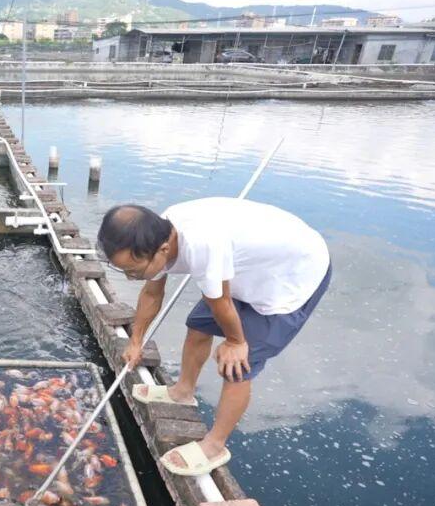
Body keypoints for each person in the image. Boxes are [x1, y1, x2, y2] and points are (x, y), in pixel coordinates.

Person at [96, 198, 331, 476]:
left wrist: (235, 342)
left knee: (238, 364)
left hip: (288, 276)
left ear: (163, 249)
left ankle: (215, 444)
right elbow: (151, 292)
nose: (131, 277)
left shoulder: (201, 246)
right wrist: (136, 340)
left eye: (134, 271)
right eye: (125, 271)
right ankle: (182, 392)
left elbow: (220, 301)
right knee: (199, 325)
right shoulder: (156, 232)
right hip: (243, 269)